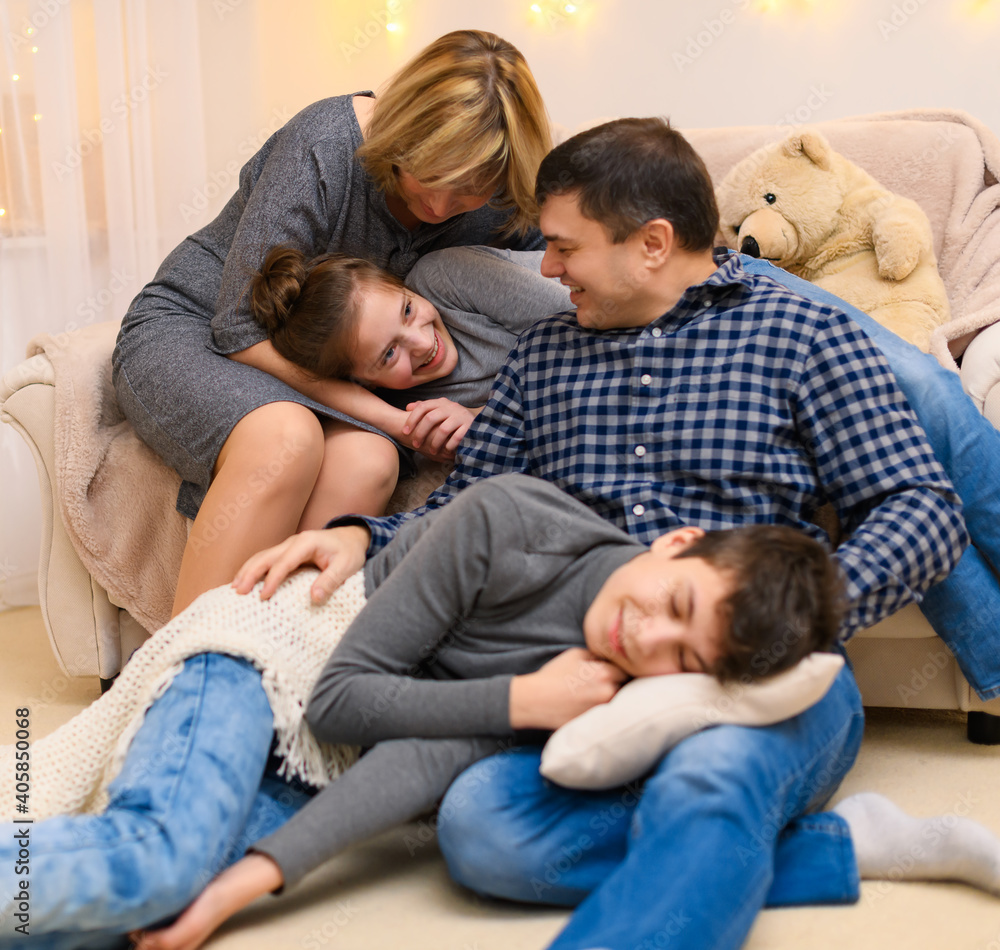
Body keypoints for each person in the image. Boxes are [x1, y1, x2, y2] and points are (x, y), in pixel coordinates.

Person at [191, 117, 985, 950]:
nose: (546, 265)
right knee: (478, 828)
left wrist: (792, 620)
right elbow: (466, 509)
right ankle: (840, 848)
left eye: (565, 245)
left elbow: (919, 507)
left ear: (650, 244)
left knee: (705, 783)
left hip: (751, 671)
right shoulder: (543, 360)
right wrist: (362, 537)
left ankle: (707, 852)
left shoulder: (799, 335)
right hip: (588, 679)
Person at [111, 29, 552, 616]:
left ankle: (275, 655)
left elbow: (568, 275)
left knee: (369, 462)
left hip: (318, 369)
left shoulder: (499, 192)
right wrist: (397, 421)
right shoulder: (325, 144)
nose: (444, 208)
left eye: (471, 190)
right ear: (405, 131)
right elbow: (238, 329)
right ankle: (182, 674)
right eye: (432, 175)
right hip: (195, 327)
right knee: (285, 439)